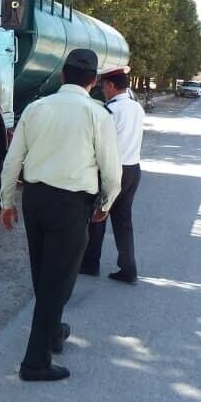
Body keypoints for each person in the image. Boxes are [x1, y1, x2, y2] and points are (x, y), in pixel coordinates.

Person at [0, 48, 122, 382]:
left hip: (35, 199)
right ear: (94, 81)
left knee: (44, 275)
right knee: (57, 280)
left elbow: (12, 160)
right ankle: (34, 364)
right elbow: (111, 169)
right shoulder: (98, 114)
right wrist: (106, 204)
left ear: (62, 76)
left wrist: (6, 201)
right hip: (72, 204)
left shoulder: (36, 108)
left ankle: (53, 332)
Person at [81, 67, 145, 284]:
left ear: (110, 85)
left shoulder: (110, 111)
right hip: (133, 169)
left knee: (98, 215)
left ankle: (90, 264)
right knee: (123, 220)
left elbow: (100, 144)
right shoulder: (137, 108)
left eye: (103, 87)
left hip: (113, 169)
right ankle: (129, 269)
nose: (103, 91)